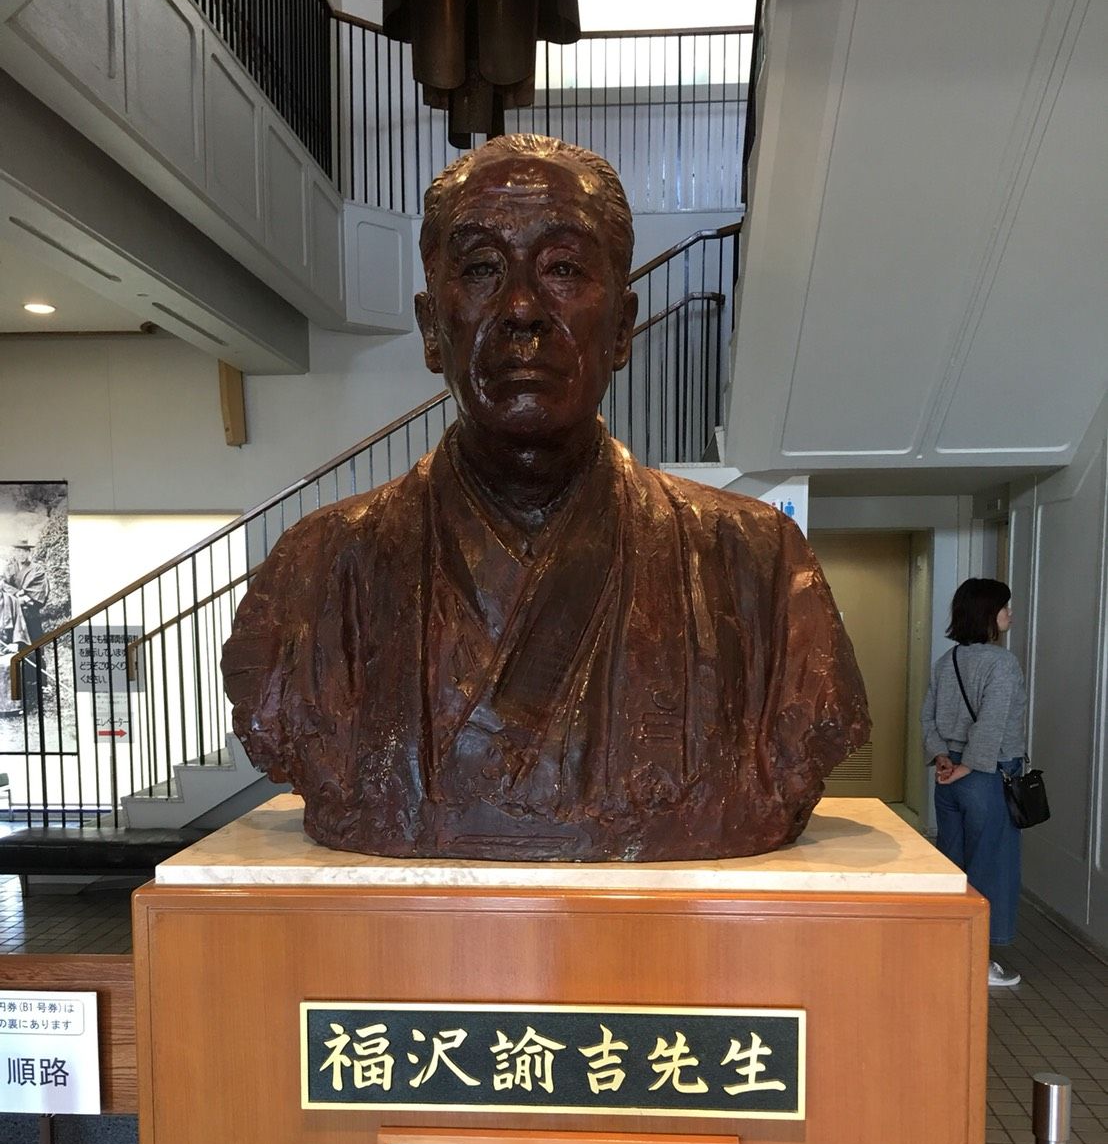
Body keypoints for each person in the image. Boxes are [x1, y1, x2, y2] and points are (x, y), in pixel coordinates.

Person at [223, 135, 870, 860]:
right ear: (432, 329)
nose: (522, 308)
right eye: (482, 268)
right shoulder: (317, 569)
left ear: (622, 326)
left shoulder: (762, 565)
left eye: (563, 268)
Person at [921, 578, 1027, 987]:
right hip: (986, 774)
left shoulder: (946, 661)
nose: (1009, 614)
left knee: (952, 863)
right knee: (991, 865)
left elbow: (928, 716)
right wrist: (971, 766)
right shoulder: (1002, 664)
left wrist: (942, 757)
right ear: (988, 614)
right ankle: (977, 963)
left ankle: (946, 953)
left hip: (948, 775)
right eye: (1004, 607)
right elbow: (993, 721)